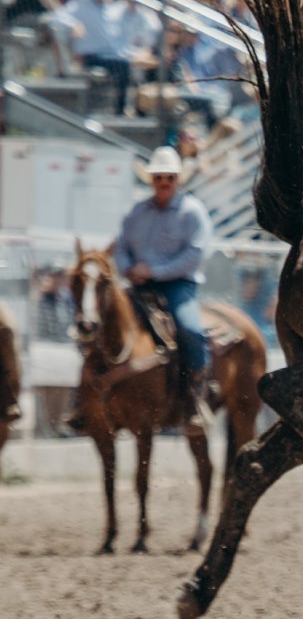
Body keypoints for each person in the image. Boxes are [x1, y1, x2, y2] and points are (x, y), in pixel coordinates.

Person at [114, 146, 214, 433]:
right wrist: (128, 269)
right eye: (158, 177)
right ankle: (88, 398)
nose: (163, 182)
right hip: (138, 283)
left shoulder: (192, 212)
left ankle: (196, 395)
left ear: (178, 179)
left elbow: (195, 255)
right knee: (102, 319)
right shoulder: (136, 211)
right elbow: (121, 247)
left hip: (178, 284)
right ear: (151, 180)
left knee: (190, 328)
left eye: (169, 177)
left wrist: (154, 271)